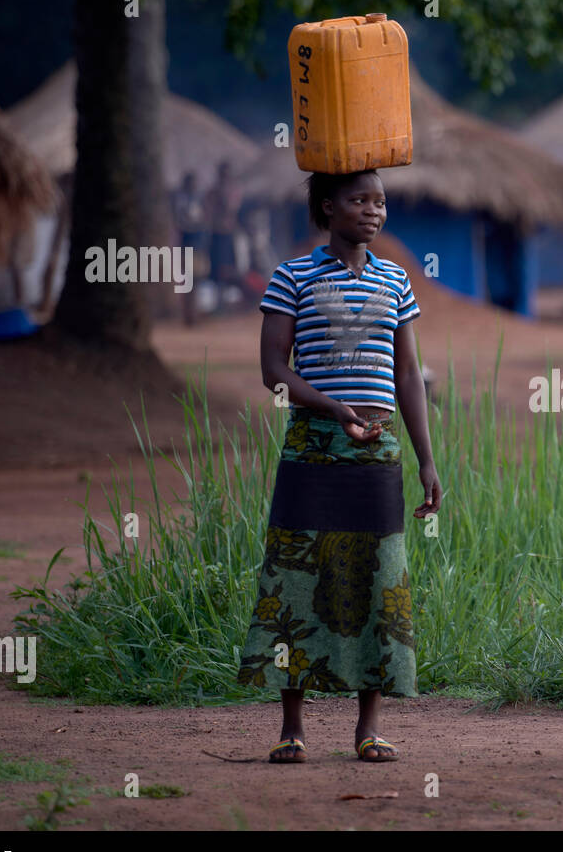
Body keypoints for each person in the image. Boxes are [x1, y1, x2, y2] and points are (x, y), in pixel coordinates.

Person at [237, 167, 442, 764]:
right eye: (359, 201)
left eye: (380, 202)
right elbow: (274, 371)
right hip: (312, 446)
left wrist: (427, 459)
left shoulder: (396, 281)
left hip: (378, 451)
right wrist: (331, 406)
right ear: (327, 208)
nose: (373, 212)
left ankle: (368, 727)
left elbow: (407, 376)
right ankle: (292, 728)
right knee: (296, 578)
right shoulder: (291, 276)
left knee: (377, 579)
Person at [204, 160, 243, 310]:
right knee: (215, 270)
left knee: (229, 270)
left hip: (228, 234)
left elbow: (231, 207)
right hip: (216, 234)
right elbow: (208, 211)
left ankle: (225, 303)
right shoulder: (213, 192)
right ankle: (218, 303)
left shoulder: (233, 190)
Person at [171, 171, 208, 325]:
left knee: (196, 281)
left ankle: (193, 315)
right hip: (187, 246)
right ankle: (188, 316)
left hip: (197, 246)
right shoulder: (182, 201)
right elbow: (182, 223)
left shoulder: (198, 200)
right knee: (188, 283)